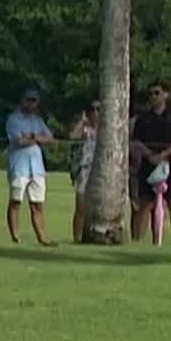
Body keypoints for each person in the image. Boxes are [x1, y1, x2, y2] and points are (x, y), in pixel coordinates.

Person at [130, 81, 171, 250]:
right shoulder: (143, 118)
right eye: (150, 94)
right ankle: (139, 242)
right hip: (148, 164)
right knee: (145, 203)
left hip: (169, 163)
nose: (153, 97)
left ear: (165, 94)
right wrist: (150, 155)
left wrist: (164, 155)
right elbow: (136, 142)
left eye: (157, 93)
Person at [4, 88, 58, 246]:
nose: (31, 103)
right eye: (28, 100)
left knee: (37, 204)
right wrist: (38, 139)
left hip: (37, 168)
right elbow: (19, 141)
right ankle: (15, 236)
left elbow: (51, 139)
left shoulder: (37, 120)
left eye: (34, 100)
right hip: (19, 167)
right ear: (22, 100)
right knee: (15, 201)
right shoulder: (13, 119)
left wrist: (33, 137)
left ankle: (42, 237)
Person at [67, 99, 101, 242]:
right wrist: (82, 121)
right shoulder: (85, 130)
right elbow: (72, 136)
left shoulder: (106, 130)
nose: (95, 112)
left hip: (101, 170)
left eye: (98, 109)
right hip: (85, 170)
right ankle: (77, 237)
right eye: (92, 109)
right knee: (80, 206)